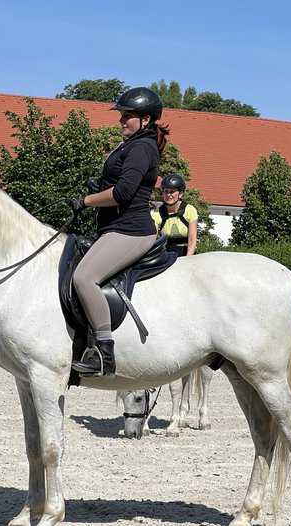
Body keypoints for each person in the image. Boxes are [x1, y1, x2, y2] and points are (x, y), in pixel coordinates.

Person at [67, 87, 169, 377]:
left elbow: (123, 193)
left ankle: (103, 352)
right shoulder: (131, 144)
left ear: (146, 120)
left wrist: (85, 201)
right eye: (122, 115)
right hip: (115, 228)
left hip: (131, 231)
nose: (121, 120)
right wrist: (98, 187)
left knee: (84, 278)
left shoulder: (141, 148)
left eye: (128, 116)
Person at [152, 173, 199, 257]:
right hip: (166, 253)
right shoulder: (157, 213)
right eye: (166, 191)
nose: (168, 195)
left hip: (187, 253)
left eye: (172, 192)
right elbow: (153, 238)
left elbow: (192, 239)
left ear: (180, 194)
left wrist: (187, 259)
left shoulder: (190, 210)